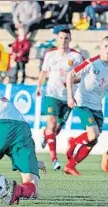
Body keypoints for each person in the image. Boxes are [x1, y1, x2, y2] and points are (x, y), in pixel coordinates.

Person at [36, 29, 84, 170]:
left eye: (66, 38)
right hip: (52, 94)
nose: (63, 41)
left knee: (56, 129)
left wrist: (71, 81)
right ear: (58, 39)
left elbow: (81, 76)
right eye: (61, 38)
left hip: (68, 97)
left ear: (70, 39)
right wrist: (39, 86)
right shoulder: (50, 55)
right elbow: (44, 71)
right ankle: (54, 159)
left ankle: (46, 135)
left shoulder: (76, 57)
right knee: (51, 123)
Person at [65, 36, 108, 176]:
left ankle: (70, 166)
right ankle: (74, 142)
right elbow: (70, 75)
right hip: (82, 103)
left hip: (97, 106)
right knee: (92, 134)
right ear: (101, 47)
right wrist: (70, 97)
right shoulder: (92, 62)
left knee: (93, 141)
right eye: (106, 46)